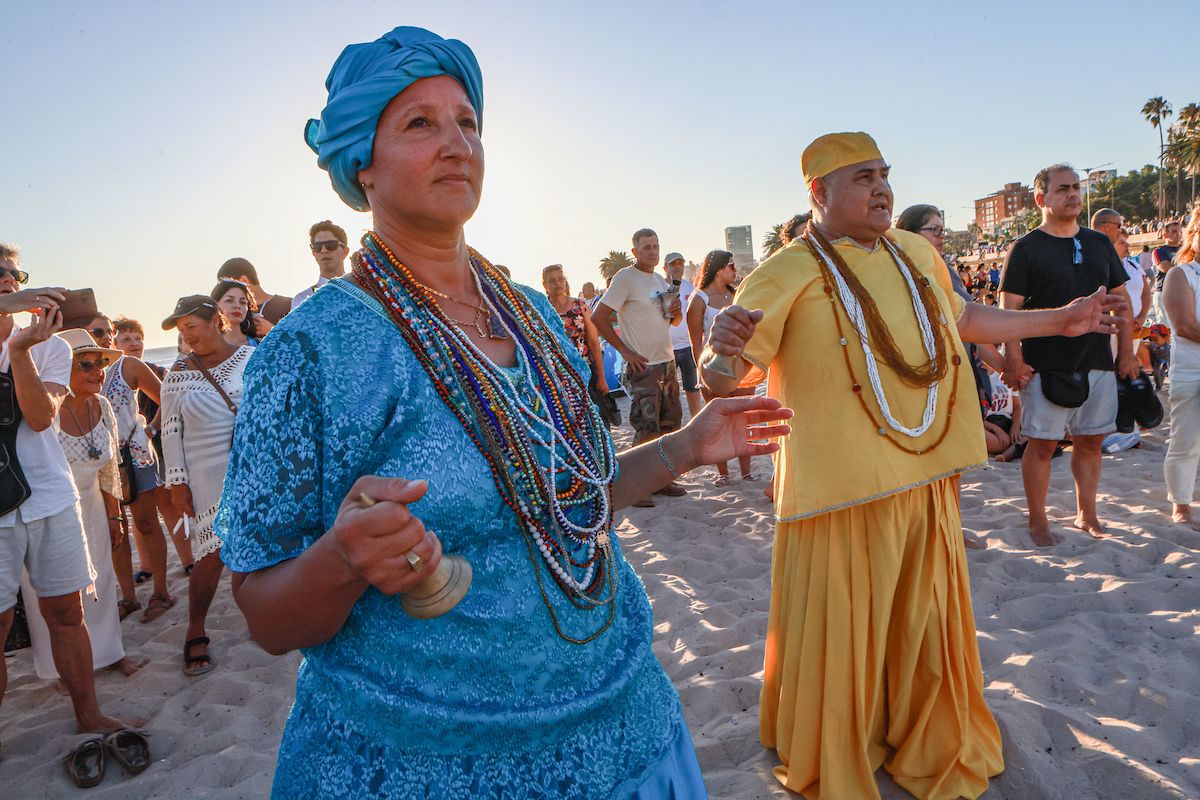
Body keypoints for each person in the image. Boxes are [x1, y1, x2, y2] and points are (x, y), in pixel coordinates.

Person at [218, 27, 791, 798]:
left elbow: (568, 500)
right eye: (419, 123)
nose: (456, 143)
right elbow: (265, 614)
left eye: (468, 122)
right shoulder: (313, 347)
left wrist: (686, 446)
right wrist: (345, 559)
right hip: (429, 764)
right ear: (362, 161)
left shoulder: (530, 314)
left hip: (623, 723)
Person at [699, 132, 1124, 799]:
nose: (881, 188)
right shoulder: (784, 270)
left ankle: (919, 733)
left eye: (885, 174)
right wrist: (715, 348)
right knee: (847, 630)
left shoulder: (915, 251)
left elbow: (965, 317)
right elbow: (726, 375)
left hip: (922, 474)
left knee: (921, 622)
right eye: (863, 177)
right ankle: (845, 742)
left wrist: (1058, 321)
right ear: (818, 192)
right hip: (837, 491)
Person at [0, 243, 137, 743]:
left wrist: (19, 351)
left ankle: (89, 714)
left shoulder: (51, 348)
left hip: (51, 496)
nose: (11, 281)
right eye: (0, 273)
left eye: (15, 274)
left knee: (66, 611)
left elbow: (39, 417)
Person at [999, 165, 1137, 546]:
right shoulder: (1026, 248)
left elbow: (1120, 300)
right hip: (1045, 364)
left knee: (1091, 441)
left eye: (1076, 187)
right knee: (1042, 445)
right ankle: (1038, 521)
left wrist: (1126, 352)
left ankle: (1086, 514)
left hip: (1097, 359)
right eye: (1063, 189)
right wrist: (1014, 359)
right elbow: (1008, 307)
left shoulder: (1098, 243)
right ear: (1042, 199)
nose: (1074, 194)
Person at [21, 329, 147, 680]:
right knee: (50, 593)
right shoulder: (41, 412)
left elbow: (110, 467)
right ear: (61, 370)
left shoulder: (103, 405)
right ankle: (61, 671)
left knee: (103, 581)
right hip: (48, 509)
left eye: (102, 363)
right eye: (87, 365)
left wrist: (114, 514)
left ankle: (111, 654)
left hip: (93, 504)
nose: (98, 371)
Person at [160, 296, 252, 676]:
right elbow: (170, 433)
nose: (187, 335)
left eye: (191, 326)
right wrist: (178, 485)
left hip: (250, 469)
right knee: (210, 555)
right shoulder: (178, 373)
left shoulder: (250, 359)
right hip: (204, 472)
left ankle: (260, 619)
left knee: (252, 548)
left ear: (216, 321)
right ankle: (195, 628)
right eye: (181, 331)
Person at [78, 314, 176, 622]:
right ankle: (129, 597)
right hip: (98, 463)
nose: (106, 336)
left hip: (135, 457)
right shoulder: (74, 371)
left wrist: (151, 430)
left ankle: (161, 592)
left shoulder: (127, 367)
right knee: (115, 530)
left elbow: (167, 398)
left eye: (109, 331)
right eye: (98, 331)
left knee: (147, 523)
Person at [593, 228, 687, 506]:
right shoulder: (625, 278)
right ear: (634, 251)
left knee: (669, 425)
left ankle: (661, 480)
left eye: (656, 246)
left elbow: (674, 322)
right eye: (646, 247)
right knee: (646, 427)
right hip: (643, 366)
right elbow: (599, 316)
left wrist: (677, 311)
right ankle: (636, 487)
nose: (653, 251)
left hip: (667, 362)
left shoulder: (660, 280)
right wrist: (624, 350)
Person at [113, 317, 192, 576]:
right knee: (140, 512)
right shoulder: (108, 375)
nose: (134, 343)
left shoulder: (156, 371)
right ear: (114, 343)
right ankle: (146, 567)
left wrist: (152, 428)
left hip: (156, 442)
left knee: (167, 503)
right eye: (126, 339)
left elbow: (170, 401)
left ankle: (188, 560)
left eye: (138, 338)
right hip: (128, 450)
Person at [687, 250, 753, 484]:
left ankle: (747, 473)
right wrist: (701, 374)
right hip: (713, 368)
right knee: (719, 421)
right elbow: (695, 342)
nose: (734, 270)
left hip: (741, 365)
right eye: (731, 266)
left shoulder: (737, 295)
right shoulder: (699, 300)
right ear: (717, 269)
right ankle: (723, 474)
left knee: (744, 419)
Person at [1160, 202, 1200, 527]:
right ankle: (1181, 505)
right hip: (1192, 370)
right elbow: (1185, 326)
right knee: (1185, 440)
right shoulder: (1181, 274)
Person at [540, 265, 613, 423]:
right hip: (558, 376)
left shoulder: (581, 306)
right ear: (545, 285)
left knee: (597, 419)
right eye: (552, 280)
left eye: (560, 278)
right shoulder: (541, 311)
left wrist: (601, 377)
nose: (558, 283)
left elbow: (594, 342)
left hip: (586, 371)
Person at [663, 252, 702, 421]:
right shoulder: (659, 287)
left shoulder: (690, 288)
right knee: (669, 392)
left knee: (693, 388)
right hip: (666, 348)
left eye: (680, 263)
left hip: (688, 346)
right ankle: (673, 427)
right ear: (665, 267)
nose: (678, 267)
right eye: (673, 264)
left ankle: (696, 422)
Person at [292, 220, 351, 309]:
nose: (324, 250)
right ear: (314, 253)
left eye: (330, 245)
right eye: (318, 246)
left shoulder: (363, 293)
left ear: (345, 251)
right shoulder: (301, 301)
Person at [216, 257, 293, 324]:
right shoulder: (235, 312)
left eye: (227, 284)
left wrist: (271, 331)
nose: (224, 289)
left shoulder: (290, 305)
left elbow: (302, 338)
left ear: (244, 281)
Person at [211, 278, 273, 348]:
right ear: (215, 304)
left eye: (243, 302)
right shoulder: (205, 345)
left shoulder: (259, 346)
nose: (237, 306)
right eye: (229, 300)